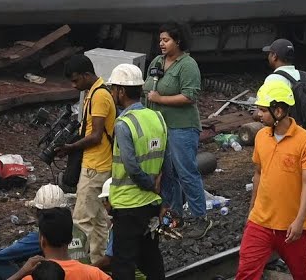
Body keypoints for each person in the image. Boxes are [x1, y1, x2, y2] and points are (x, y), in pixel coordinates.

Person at [236, 81, 306, 280]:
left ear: (278, 111)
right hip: (259, 222)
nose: (258, 114)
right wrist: (252, 210)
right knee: (246, 273)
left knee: (301, 275)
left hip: (291, 226)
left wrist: (299, 221)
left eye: (263, 110)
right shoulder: (261, 137)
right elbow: (258, 173)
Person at [144, 23, 209, 238]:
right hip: (160, 127)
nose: (161, 44)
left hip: (182, 127)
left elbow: (190, 96)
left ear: (178, 41)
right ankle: (174, 216)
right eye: (160, 40)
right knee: (168, 174)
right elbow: (147, 89)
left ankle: (201, 218)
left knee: (186, 172)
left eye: (166, 40)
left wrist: (160, 99)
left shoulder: (188, 65)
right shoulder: (157, 61)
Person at [106, 63, 166, 280]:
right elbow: (165, 159)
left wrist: (149, 184)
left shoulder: (123, 124)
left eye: (113, 89)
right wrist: (159, 191)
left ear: (121, 91)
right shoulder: (157, 117)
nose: (112, 93)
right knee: (150, 258)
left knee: (123, 263)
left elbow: (131, 166)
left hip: (128, 203)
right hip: (151, 203)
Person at [59, 55, 115, 263]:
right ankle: (99, 262)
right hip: (100, 164)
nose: (74, 85)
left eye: (76, 80)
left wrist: (71, 147)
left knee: (81, 220)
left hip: (95, 166)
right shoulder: (94, 92)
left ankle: (78, 267)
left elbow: (96, 135)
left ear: (87, 75)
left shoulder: (99, 96)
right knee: (99, 219)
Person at [0, 185, 88, 280]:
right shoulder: (79, 231)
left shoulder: (40, 236)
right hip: (80, 271)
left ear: (42, 241)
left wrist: (22, 272)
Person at [6, 209, 110, 280]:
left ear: (42, 240)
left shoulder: (31, 277)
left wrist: (20, 273)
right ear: (71, 239)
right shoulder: (95, 275)